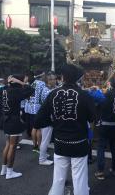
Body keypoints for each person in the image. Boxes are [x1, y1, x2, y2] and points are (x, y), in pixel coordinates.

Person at [34, 64, 96, 195]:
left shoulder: (53, 94)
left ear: (62, 77)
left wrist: (53, 123)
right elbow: (93, 117)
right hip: (79, 142)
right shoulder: (84, 95)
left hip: (60, 141)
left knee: (58, 178)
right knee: (80, 179)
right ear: (77, 79)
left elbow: (38, 119)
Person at [89, 78, 115, 180]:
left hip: (105, 124)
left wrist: (94, 90)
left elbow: (96, 98)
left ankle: (100, 172)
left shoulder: (107, 94)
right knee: (113, 147)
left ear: (111, 85)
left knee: (101, 147)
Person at [0, 75, 33, 180]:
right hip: (14, 121)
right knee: (13, 146)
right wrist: (20, 82)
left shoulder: (4, 90)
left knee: (8, 144)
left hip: (6, 119)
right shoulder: (16, 91)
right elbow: (31, 89)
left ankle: (4, 169)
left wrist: (12, 81)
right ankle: (9, 172)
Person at [38, 72, 57, 166]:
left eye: (55, 78)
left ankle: (43, 155)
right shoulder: (48, 91)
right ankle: (42, 159)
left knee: (45, 139)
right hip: (47, 117)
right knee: (45, 139)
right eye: (52, 79)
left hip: (44, 116)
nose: (55, 81)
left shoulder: (47, 89)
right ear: (48, 81)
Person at [24, 71, 45, 152]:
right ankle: (39, 147)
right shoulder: (41, 83)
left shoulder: (27, 84)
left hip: (28, 107)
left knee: (34, 128)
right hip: (37, 108)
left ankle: (35, 146)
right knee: (38, 128)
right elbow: (43, 95)